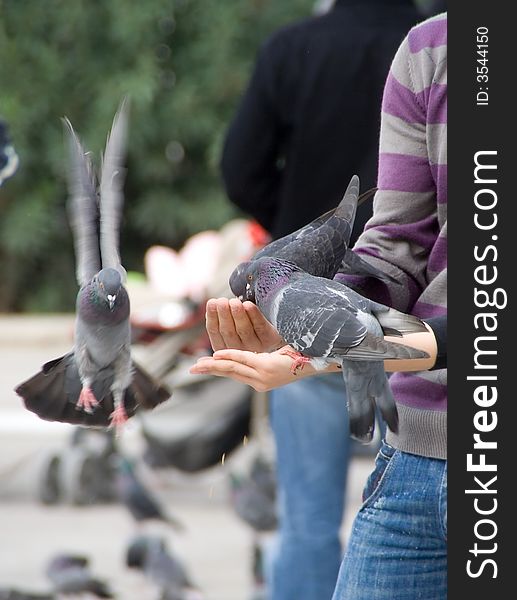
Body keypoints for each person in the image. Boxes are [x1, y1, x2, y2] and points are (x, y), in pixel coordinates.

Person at [192, 9, 447, 599]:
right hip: (380, 340)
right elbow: (396, 240)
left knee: (308, 517)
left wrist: (290, 232)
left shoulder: (292, 49)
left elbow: (239, 169)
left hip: (370, 321)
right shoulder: (422, 45)